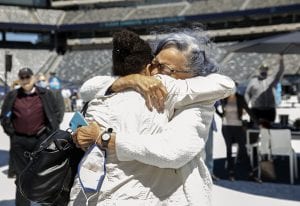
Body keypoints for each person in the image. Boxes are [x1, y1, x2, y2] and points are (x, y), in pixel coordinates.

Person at [70, 29, 235, 205]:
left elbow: (173, 151)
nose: (154, 72)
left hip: (164, 195)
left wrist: (104, 138)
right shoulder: (140, 86)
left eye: (164, 68)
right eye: (154, 62)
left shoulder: (198, 103)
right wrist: (128, 80)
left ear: (191, 75)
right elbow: (88, 88)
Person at [0, 68, 64, 206]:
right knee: (22, 176)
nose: (25, 79)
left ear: (33, 78)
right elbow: (4, 117)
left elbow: (57, 113)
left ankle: (46, 203)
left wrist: (48, 131)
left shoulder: (45, 94)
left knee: (43, 174)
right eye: (22, 77)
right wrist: (12, 133)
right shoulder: (13, 95)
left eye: (27, 76)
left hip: (40, 140)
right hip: (20, 142)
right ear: (19, 79)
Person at [219, 86, 261, 182]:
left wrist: (257, 123)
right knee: (229, 150)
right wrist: (220, 115)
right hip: (226, 127)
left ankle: (251, 173)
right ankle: (231, 173)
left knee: (243, 149)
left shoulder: (240, 98)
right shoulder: (223, 98)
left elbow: (248, 110)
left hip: (238, 127)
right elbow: (218, 109)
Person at [244, 55, 284, 124]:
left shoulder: (271, 80)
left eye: (265, 69)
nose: (263, 70)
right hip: (256, 110)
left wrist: (281, 61)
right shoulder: (253, 81)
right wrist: (245, 106)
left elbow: (280, 73)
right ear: (259, 70)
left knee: (270, 131)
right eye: (262, 69)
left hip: (270, 111)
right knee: (254, 131)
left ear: (267, 70)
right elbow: (247, 93)